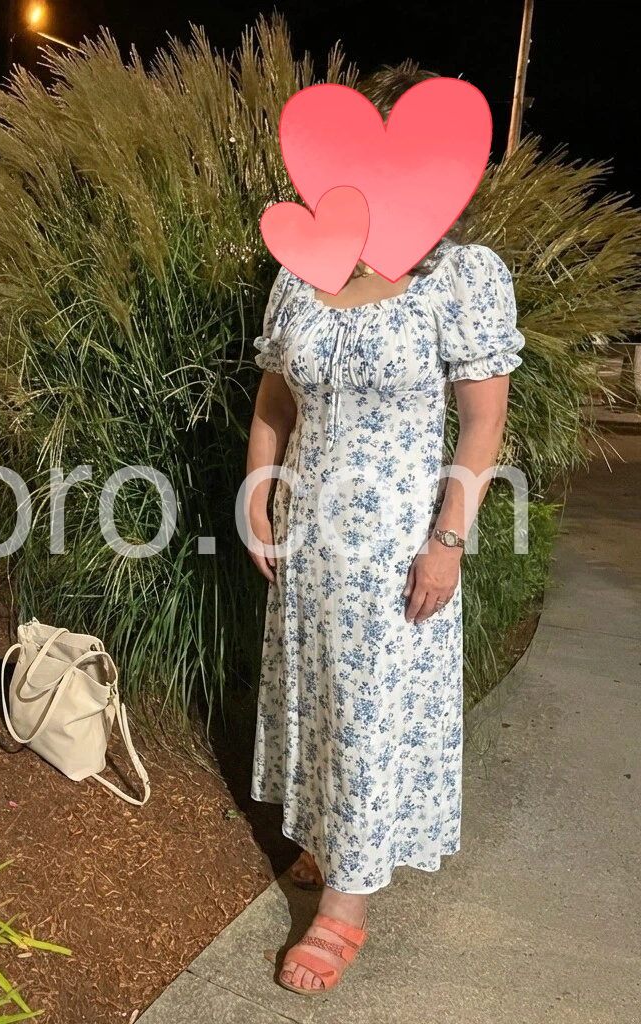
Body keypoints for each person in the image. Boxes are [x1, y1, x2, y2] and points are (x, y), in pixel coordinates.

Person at [244, 79, 525, 995]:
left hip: (398, 542)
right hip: (310, 539)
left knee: (371, 707)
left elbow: (483, 423)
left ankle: (346, 904)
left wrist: (448, 541)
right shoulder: (302, 271)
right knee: (319, 694)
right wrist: (257, 489)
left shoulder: (460, 276)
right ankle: (332, 838)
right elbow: (275, 400)